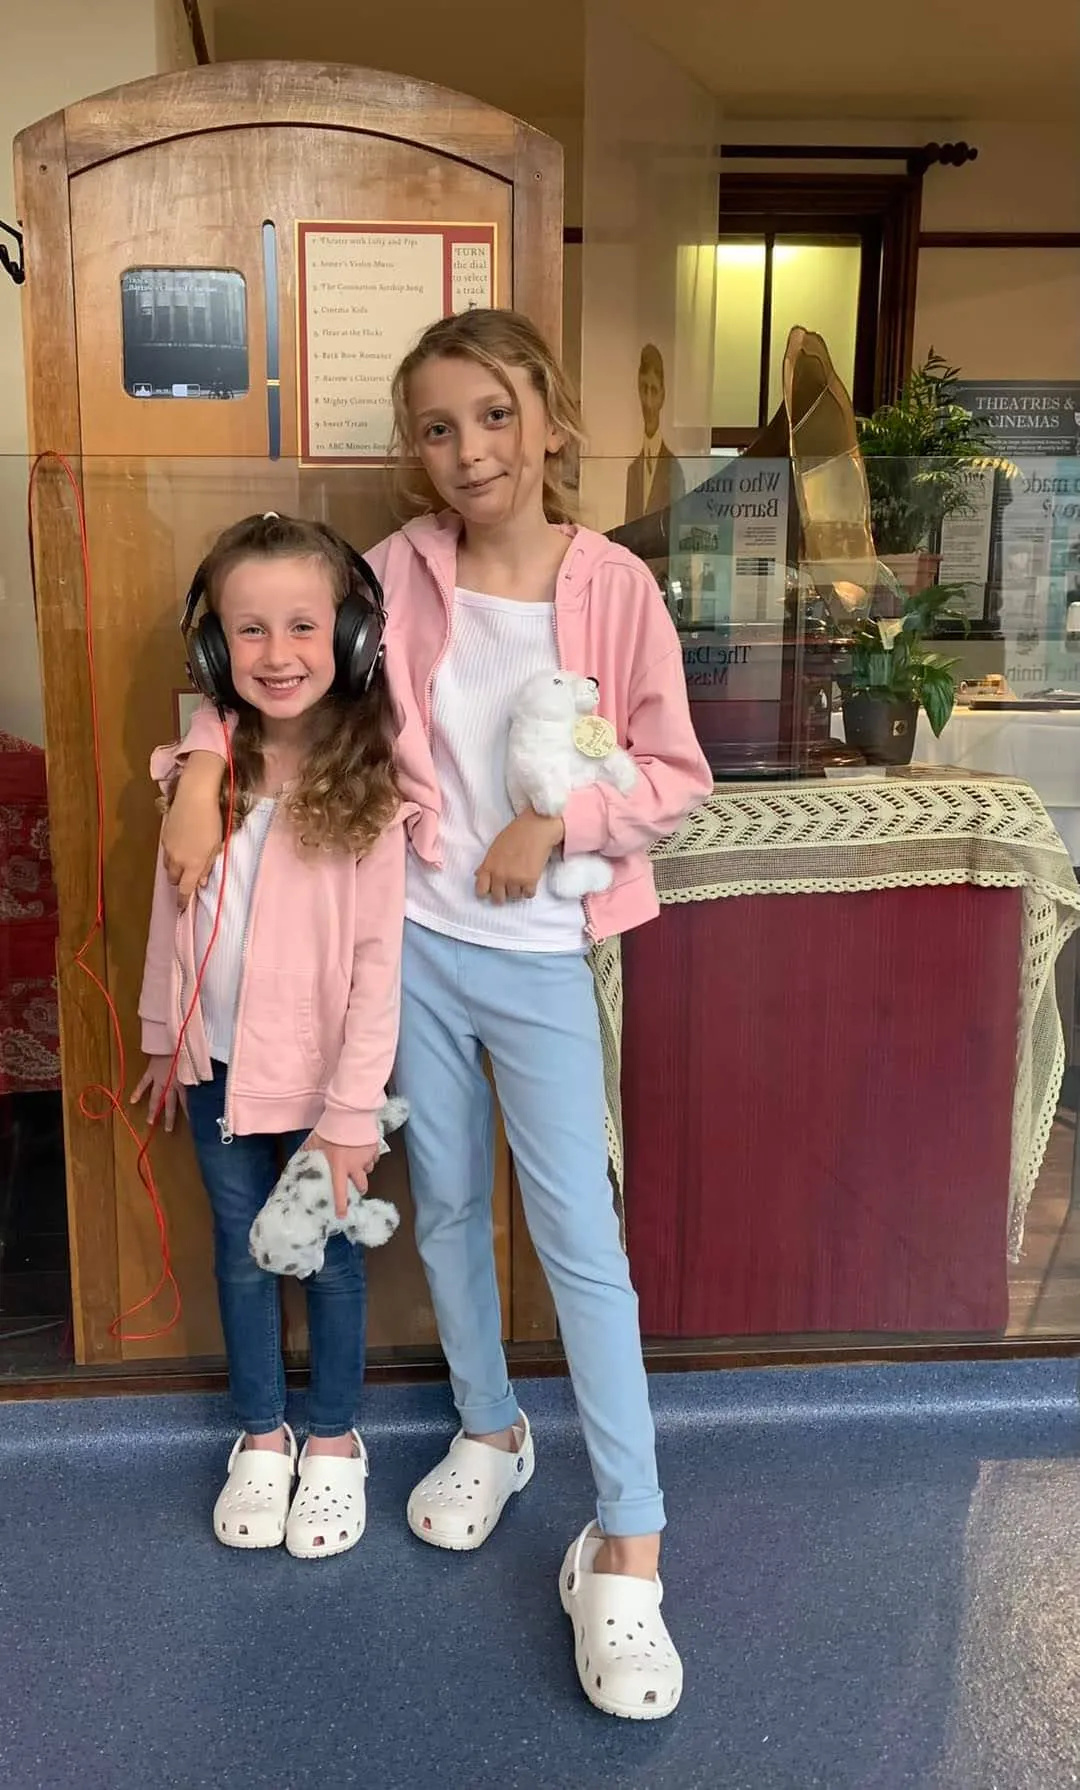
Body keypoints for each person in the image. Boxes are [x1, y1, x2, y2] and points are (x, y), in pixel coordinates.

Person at [158, 310, 713, 1719]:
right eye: (438, 425)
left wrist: (558, 816)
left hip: (537, 957)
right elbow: (250, 648)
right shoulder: (395, 572)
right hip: (414, 944)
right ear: (414, 447)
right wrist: (197, 767)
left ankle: (628, 1543)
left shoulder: (617, 588)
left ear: (552, 420)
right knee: (450, 1208)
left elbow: (677, 776)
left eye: (496, 414)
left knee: (581, 1241)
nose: (469, 449)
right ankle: (488, 1426)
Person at [133, 511, 406, 1559]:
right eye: (249, 631)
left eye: (303, 624)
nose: (278, 653)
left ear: (349, 638)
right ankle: (263, 1433)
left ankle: (334, 1440)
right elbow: (176, 910)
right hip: (216, 1069)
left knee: (327, 1259)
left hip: (326, 1086)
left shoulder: (370, 781)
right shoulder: (202, 765)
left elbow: (379, 966)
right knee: (243, 1256)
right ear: (214, 649)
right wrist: (169, 1031)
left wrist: (350, 1116)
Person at [624, 342, 685, 526]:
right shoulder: (633, 470)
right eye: (644, 389)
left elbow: (680, 539)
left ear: (662, 396)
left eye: (654, 390)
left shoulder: (674, 469)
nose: (648, 403)